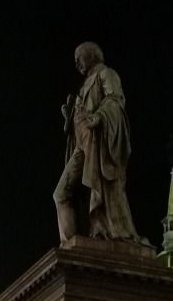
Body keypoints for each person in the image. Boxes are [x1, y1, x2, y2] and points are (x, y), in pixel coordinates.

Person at [54, 42, 140, 244]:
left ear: (91, 56)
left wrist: (100, 115)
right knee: (61, 194)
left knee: (97, 190)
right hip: (81, 147)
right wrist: (69, 119)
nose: (76, 64)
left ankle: (101, 232)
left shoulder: (106, 74)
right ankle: (69, 246)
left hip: (96, 144)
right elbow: (76, 125)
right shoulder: (83, 87)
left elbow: (115, 100)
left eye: (79, 58)